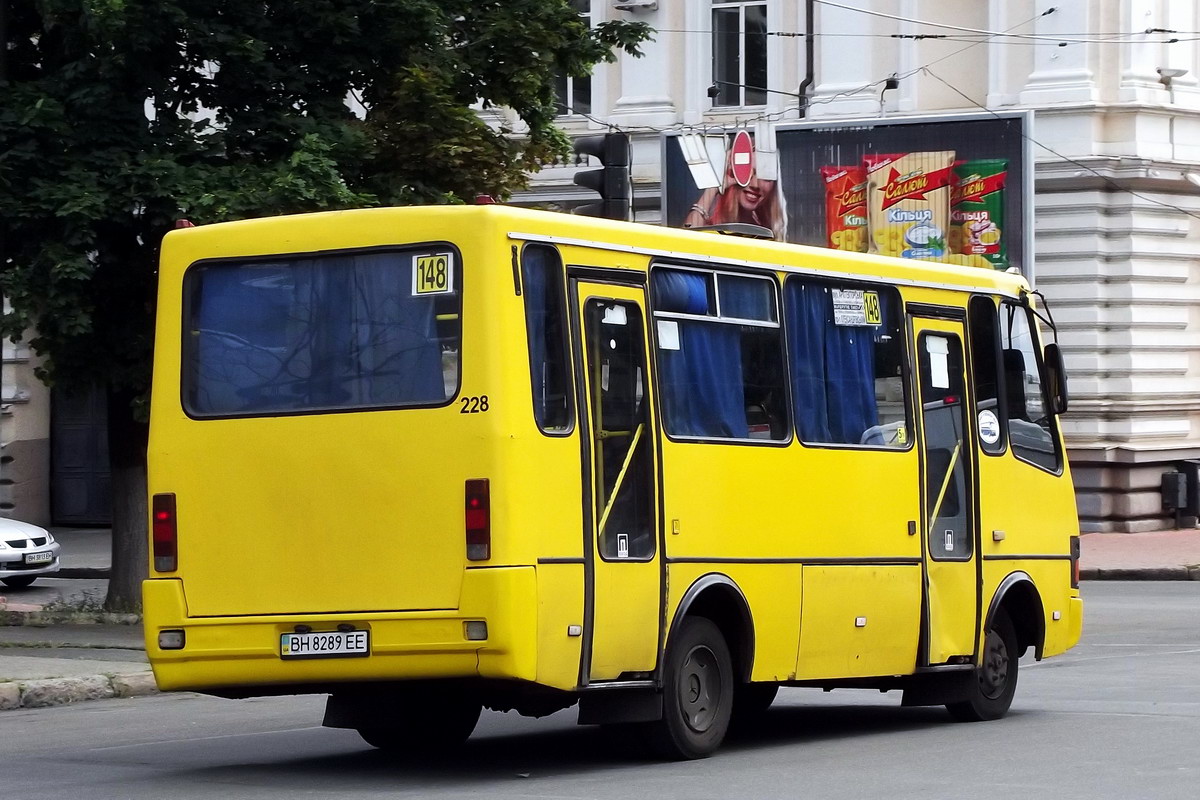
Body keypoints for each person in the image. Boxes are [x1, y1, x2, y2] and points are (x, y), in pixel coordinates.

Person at [683, 143, 787, 241]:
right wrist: (715, 186)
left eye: (765, 177)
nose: (755, 185)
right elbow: (685, 244)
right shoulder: (710, 230)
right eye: (747, 172)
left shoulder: (770, 234)